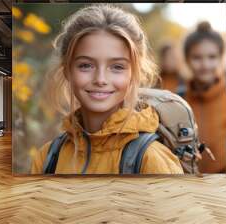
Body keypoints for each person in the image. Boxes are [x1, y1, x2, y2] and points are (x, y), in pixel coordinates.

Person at [30, 5, 184, 174]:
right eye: (86, 65)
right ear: (67, 69)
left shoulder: (151, 160)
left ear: (134, 73)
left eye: (117, 67)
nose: (100, 79)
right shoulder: (48, 158)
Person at [183, 21, 226, 173]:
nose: (205, 64)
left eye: (212, 57)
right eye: (197, 57)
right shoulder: (178, 101)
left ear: (221, 57)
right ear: (187, 60)